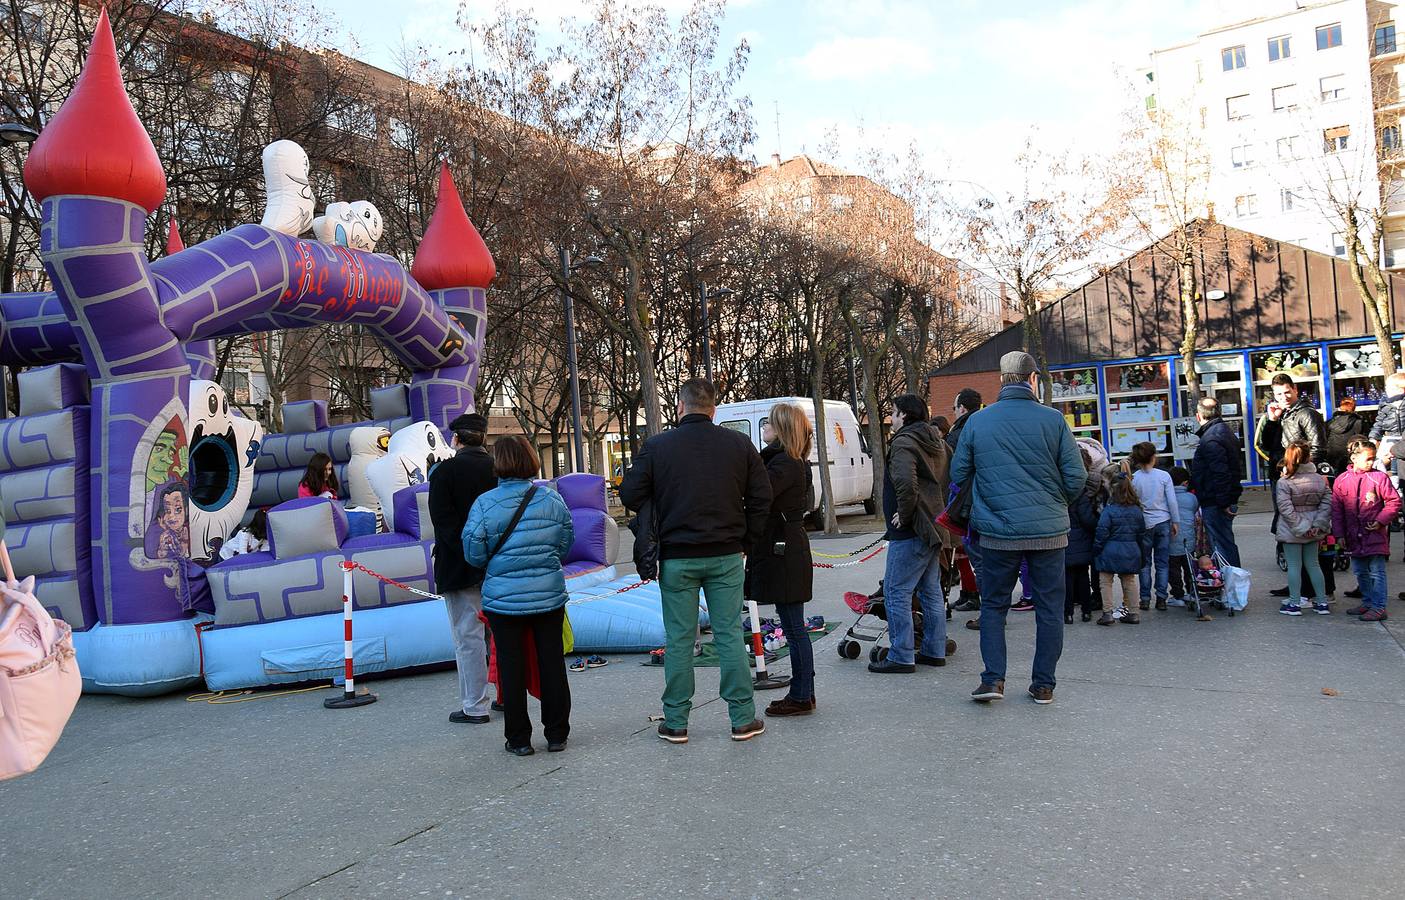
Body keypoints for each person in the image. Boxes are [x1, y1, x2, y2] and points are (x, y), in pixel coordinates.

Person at [619, 378, 772, 744]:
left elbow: (629, 493)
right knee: (730, 635)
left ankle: (676, 722)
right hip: (726, 554)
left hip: (677, 557)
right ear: (714, 409)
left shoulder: (658, 447)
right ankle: (742, 718)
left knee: (679, 640)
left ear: (679, 406)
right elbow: (762, 497)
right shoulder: (739, 444)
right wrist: (745, 540)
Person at [949, 351, 1085, 706]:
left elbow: (958, 474)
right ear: (1033, 379)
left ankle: (993, 679)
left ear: (1001, 380)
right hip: (1049, 532)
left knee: (994, 607)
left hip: (997, 533)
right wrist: (1054, 504)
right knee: (1049, 609)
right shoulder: (1054, 420)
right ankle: (1043, 684)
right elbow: (1076, 476)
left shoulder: (978, 422)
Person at [464, 435, 575, 756]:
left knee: (511, 668)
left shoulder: (484, 504)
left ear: (498, 464)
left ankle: (519, 738)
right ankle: (556, 734)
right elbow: (565, 545)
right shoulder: (552, 501)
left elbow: (473, 552)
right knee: (551, 663)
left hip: (504, 599)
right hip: (548, 596)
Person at [868, 393, 952, 674]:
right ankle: (934, 649)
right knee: (930, 592)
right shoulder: (935, 441)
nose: (890, 417)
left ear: (904, 414)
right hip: (933, 524)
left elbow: (905, 483)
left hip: (912, 528)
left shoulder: (905, 442)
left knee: (895, 591)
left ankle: (901, 654)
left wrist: (904, 515)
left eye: (892, 412)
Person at [745, 403, 816, 716]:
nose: (764, 429)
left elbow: (760, 496)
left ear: (782, 429)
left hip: (783, 550)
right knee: (792, 624)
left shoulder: (784, 463)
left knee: (793, 627)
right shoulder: (790, 461)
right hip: (786, 546)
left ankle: (802, 694)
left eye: (768, 424)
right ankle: (803, 692)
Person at [428, 412, 498, 725]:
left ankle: (475, 705)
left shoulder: (444, 472)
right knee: (500, 637)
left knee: (467, 638)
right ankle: (507, 696)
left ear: (456, 438)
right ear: (484, 437)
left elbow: (444, 524)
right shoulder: (500, 468)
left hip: (459, 566)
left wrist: (471, 554)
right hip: (499, 565)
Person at [1263, 375, 1328, 603]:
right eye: (1279, 394)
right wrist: (1272, 420)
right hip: (1283, 477)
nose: (1283, 397)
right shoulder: (1282, 414)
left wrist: (1303, 473)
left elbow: (1318, 447)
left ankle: (1309, 590)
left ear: (1295, 389)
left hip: (1299, 481)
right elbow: (1267, 444)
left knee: (1302, 531)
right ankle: (1296, 584)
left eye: (1287, 392)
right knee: (1287, 528)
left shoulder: (1306, 413)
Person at [1332, 440, 1400, 623]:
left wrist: (1381, 520)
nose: (1371, 463)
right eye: (1367, 459)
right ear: (1354, 458)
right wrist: (1339, 535)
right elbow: (1337, 510)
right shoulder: (1342, 480)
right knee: (1360, 571)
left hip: (1374, 534)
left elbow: (1394, 502)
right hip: (1352, 535)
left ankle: (1378, 606)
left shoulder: (1379, 478)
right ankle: (1368, 602)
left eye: (1373, 459)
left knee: (1377, 571)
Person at [1274, 441, 1332, 616]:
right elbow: (1327, 503)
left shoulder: (1284, 482)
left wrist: (1301, 526)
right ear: (1309, 456)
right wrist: (1317, 525)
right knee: (1313, 564)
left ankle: (1294, 603)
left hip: (1292, 529)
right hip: (1314, 525)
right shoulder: (1321, 479)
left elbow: (1285, 508)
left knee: (1294, 566)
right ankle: (1322, 602)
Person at [1190, 397, 1244, 567]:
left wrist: (1224, 502)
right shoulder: (1223, 432)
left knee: (1221, 545)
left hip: (1216, 500)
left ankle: (1231, 587)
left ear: (1198, 416)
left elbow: (1220, 473)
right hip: (1221, 498)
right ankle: (1230, 585)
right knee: (1224, 542)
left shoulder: (1211, 439)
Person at [1093, 471, 1149, 625]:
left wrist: (1096, 549)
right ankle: (1133, 612)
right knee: (1129, 580)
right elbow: (1141, 534)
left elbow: (1101, 532)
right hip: (1131, 549)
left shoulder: (1109, 510)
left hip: (1110, 549)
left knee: (1105, 580)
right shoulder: (1137, 510)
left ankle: (1107, 613)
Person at [1129, 442, 1179, 611]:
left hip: (1144, 524)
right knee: (1162, 562)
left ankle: (1144, 598)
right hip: (1163, 521)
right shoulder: (1164, 476)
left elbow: (1133, 504)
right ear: (1153, 457)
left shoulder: (1134, 478)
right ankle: (1161, 598)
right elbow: (1172, 501)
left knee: (1145, 563)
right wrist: (1176, 521)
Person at [1064, 448, 1101, 625]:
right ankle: (1086, 611)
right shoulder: (1081, 492)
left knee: (1067, 579)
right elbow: (1087, 519)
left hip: (1065, 540)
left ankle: (1067, 613)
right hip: (1082, 541)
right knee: (1083, 578)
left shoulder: (1060, 489)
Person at [1167, 468, 1198, 607]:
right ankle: (1192, 592)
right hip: (1188, 540)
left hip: (1172, 539)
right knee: (1189, 568)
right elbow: (1195, 510)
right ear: (1186, 483)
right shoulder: (1191, 498)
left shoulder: (1166, 497)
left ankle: (1177, 594)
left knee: (1173, 570)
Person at [1325, 396, 1367, 476]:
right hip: (1351, 455)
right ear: (1354, 408)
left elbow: (1325, 439)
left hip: (1332, 456)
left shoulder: (1330, 422)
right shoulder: (1358, 422)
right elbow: (1362, 440)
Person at [1368, 371, 1405, 455]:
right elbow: (1379, 422)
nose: (1386, 389)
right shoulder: (1385, 404)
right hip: (1391, 439)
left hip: (1403, 441)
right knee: (1393, 465)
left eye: (1389, 387)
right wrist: (1373, 437)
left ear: (1400, 390)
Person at [946, 388, 981, 452]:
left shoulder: (957, 434)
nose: (954, 412)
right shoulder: (989, 426)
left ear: (962, 408)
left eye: (954, 408)